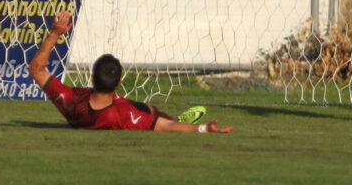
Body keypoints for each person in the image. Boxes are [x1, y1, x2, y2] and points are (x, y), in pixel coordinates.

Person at [28, 11, 229, 133]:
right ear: (119, 83)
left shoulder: (70, 98)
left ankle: (175, 117)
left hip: (91, 110)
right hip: (116, 110)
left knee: (149, 108)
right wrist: (204, 129)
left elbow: (36, 69)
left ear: (91, 79)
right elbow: (164, 128)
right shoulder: (124, 114)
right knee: (152, 112)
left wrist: (55, 32)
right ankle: (178, 118)